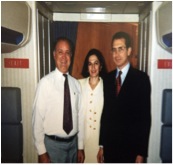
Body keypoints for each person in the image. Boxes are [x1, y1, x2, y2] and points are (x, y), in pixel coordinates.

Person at [97, 32, 151, 163]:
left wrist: (141, 153)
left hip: (130, 150)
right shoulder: (107, 79)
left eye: (120, 49)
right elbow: (106, 114)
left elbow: (144, 119)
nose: (116, 54)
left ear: (129, 51)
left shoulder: (141, 79)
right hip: (110, 148)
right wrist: (102, 145)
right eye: (114, 50)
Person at [32, 37, 85, 163]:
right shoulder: (45, 83)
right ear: (54, 55)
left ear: (71, 56)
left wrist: (80, 147)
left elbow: (80, 117)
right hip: (52, 147)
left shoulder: (76, 85)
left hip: (73, 145)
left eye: (67, 53)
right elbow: (37, 119)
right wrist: (41, 152)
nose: (64, 57)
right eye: (60, 52)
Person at [79, 49, 107, 163]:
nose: (93, 67)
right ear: (87, 67)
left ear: (101, 66)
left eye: (96, 63)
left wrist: (103, 146)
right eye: (90, 64)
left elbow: (109, 119)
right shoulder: (79, 84)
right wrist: (79, 147)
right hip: (82, 142)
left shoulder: (107, 86)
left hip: (99, 142)